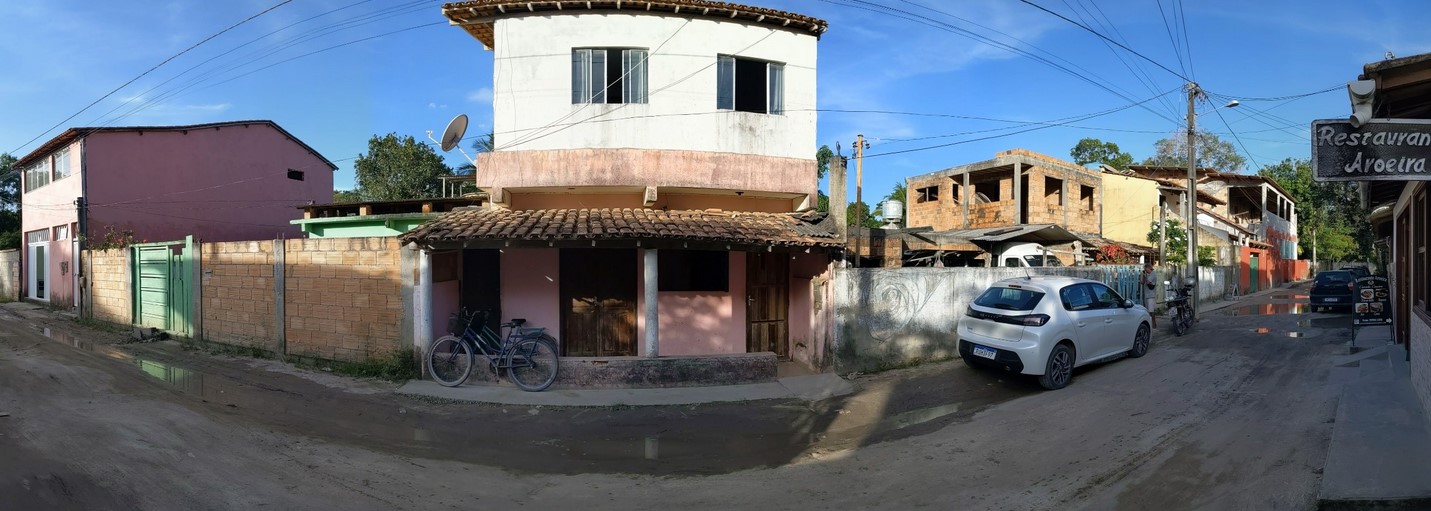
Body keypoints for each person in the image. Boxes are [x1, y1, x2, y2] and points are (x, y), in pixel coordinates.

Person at [1142, 263, 1158, 328]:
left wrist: (1145, 275)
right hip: (1147, 295)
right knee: (1149, 311)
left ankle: (1154, 324)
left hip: (1151, 295)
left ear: (1148, 268)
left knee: (1151, 311)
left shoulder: (1152, 274)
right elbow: (1142, 282)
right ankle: (1152, 324)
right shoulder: (1149, 274)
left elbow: (1148, 282)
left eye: (1145, 269)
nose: (1145, 270)